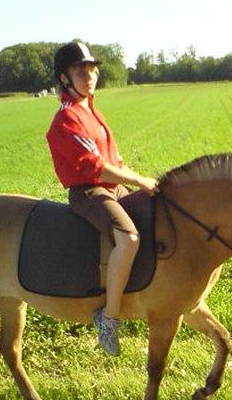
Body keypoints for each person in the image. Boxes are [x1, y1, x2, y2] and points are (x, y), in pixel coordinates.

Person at [46, 41, 159, 356]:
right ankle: (108, 318)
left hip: (112, 186)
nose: (89, 76)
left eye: (92, 69)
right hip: (89, 191)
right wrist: (138, 181)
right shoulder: (67, 119)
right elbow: (95, 167)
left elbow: (115, 161)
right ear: (65, 78)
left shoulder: (91, 112)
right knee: (129, 238)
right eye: (80, 70)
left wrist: (140, 180)